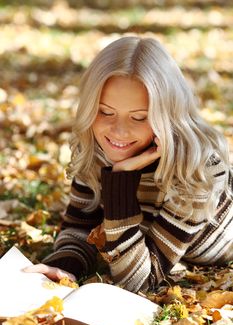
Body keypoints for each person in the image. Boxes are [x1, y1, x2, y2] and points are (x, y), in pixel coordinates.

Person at [24, 36, 233, 293]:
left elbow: (139, 280)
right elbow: (81, 227)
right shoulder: (95, 147)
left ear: (167, 116)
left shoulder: (198, 169)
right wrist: (65, 266)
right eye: (105, 112)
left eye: (139, 117)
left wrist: (120, 180)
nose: (119, 132)